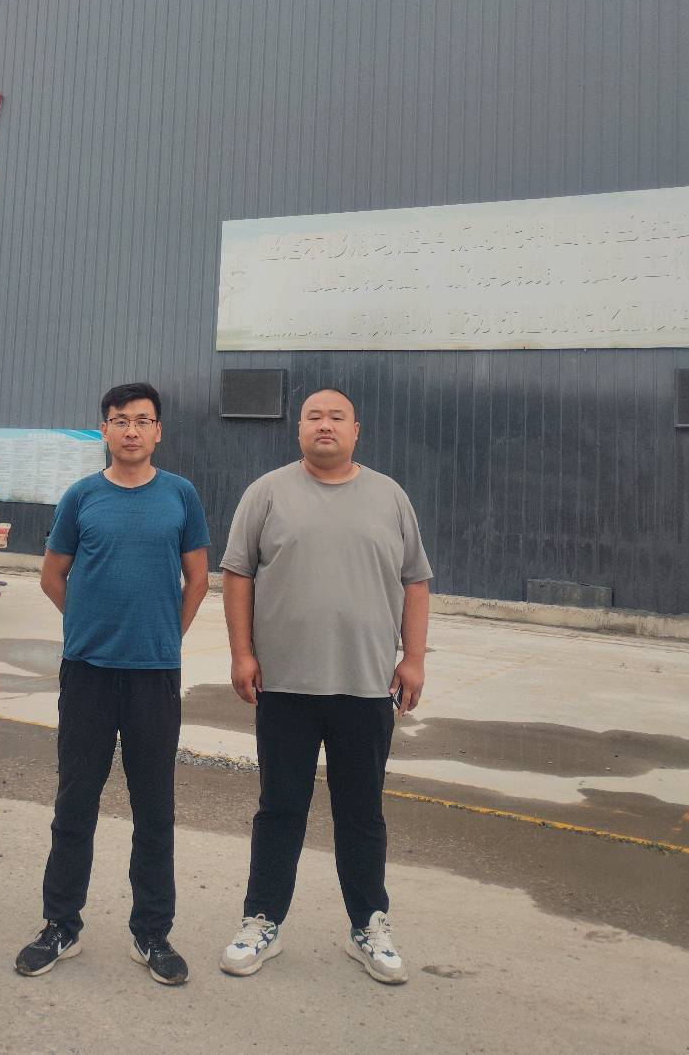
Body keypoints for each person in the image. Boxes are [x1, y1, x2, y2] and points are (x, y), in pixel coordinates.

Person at [218, 388, 431, 985]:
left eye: (337, 417)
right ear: (299, 430)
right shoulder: (267, 493)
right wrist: (242, 652)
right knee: (280, 809)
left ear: (356, 430)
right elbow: (236, 574)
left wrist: (414, 658)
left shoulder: (390, 497)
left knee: (361, 813)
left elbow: (415, 581)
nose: (325, 425)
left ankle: (369, 925)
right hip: (284, 684)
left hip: (365, 685)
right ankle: (262, 920)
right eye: (314, 416)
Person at [14, 382, 210, 987]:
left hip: (155, 675)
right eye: (120, 420)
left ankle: (152, 932)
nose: (131, 430)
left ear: (158, 432)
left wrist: (164, 636)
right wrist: (89, 625)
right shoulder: (82, 496)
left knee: (155, 808)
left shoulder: (180, 495)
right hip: (88, 674)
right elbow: (52, 576)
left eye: (142, 421)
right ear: (104, 429)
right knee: (75, 802)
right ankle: (60, 924)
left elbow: (198, 579)